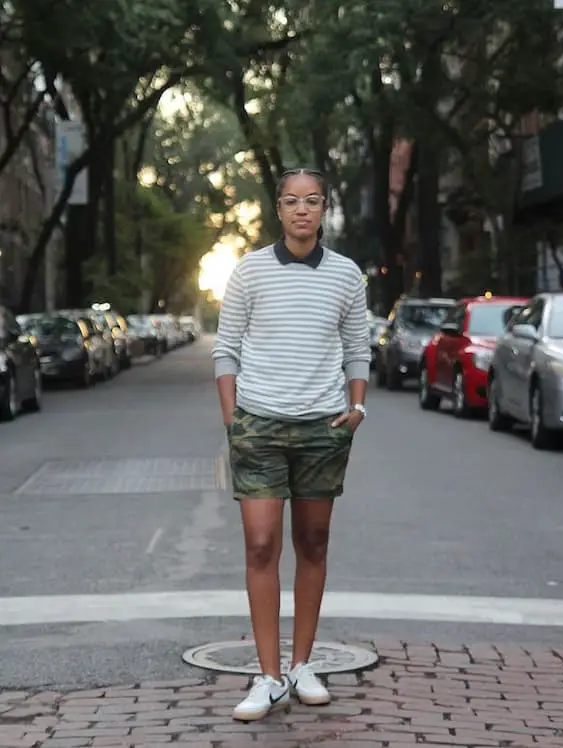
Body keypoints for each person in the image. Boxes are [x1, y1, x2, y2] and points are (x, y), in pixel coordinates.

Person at [212, 168, 370, 722]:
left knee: (314, 542)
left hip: (323, 429)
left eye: (312, 201)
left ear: (324, 208)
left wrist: (356, 409)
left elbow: (358, 346)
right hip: (258, 425)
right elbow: (226, 348)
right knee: (260, 545)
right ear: (277, 209)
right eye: (291, 201)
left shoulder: (347, 275)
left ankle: (302, 666)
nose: (302, 210)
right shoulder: (250, 271)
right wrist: (234, 420)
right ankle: (267, 675)